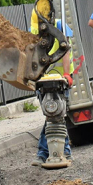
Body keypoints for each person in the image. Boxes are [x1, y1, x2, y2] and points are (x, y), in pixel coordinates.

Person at [29, 9, 73, 167]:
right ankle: (62, 152)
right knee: (52, 114)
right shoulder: (33, 30)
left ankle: (51, 152)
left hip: (61, 78)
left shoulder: (59, 25)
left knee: (57, 113)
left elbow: (65, 50)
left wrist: (67, 74)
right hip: (43, 79)